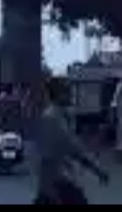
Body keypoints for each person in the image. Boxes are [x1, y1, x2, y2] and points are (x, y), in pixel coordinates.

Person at [34, 77, 109, 205]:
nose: (72, 95)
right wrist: (97, 169)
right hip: (58, 182)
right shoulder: (52, 119)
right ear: (60, 94)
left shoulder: (60, 116)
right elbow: (72, 149)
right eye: (68, 92)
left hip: (60, 181)